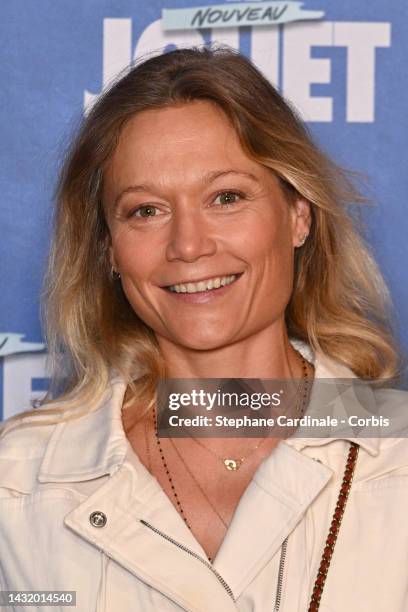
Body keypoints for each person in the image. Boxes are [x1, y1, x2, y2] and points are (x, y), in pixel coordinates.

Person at [0, 45, 407, 612]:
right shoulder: (17, 483)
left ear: (298, 215)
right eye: (146, 210)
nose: (189, 245)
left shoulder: (398, 456)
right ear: (108, 250)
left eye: (227, 197)